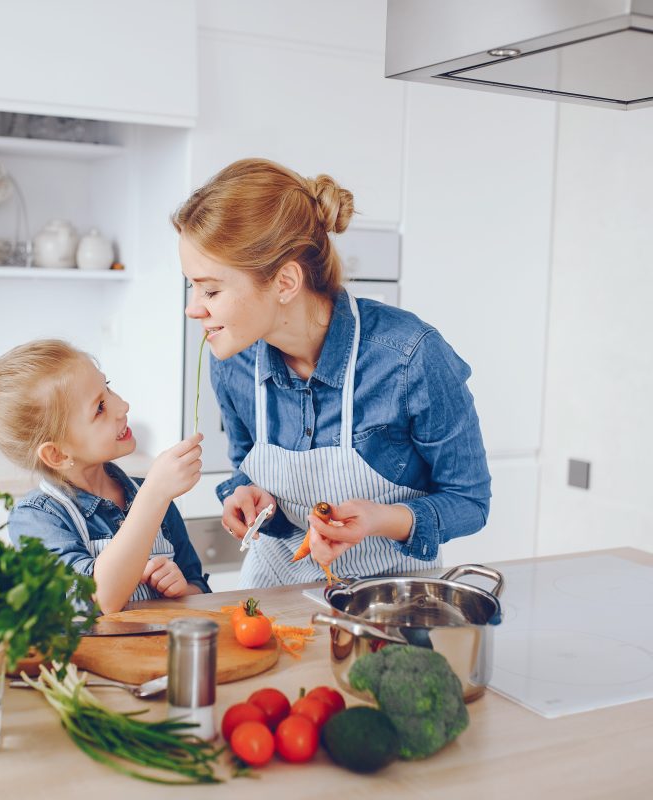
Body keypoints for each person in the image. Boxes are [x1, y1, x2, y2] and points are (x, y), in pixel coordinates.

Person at [173, 158, 491, 588]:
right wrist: (245, 496)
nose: (194, 308)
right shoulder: (233, 361)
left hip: (387, 601)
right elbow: (246, 467)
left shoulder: (409, 357)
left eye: (211, 289)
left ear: (285, 283)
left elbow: (469, 502)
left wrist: (380, 519)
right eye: (192, 286)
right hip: (273, 593)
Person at [0, 339, 209, 612]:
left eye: (107, 387)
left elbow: (201, 590)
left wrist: (183, 590)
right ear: (57, 455)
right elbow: (96, 602)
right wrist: (154, 495)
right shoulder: (37, 519)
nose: (122, 406)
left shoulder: (150, 494)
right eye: (99, 407)